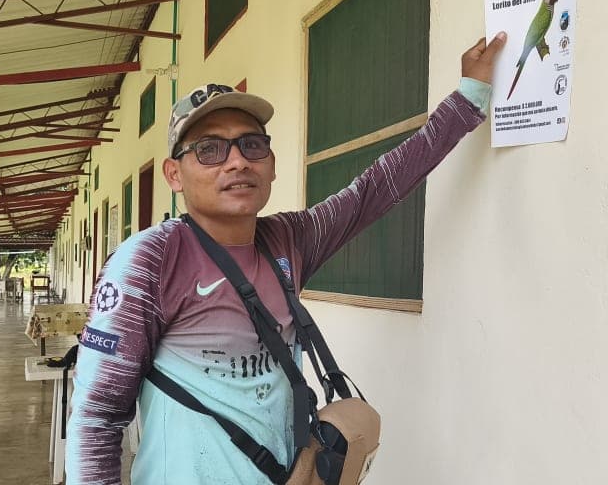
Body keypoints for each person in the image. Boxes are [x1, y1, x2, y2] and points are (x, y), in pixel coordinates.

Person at [66, 33, 507, 484]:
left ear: (272, 164)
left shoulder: (288, 240)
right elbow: (96, 419)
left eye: (252, 145)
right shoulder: (150, 261)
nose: (237, 162)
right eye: (209, 149)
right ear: (174, 174)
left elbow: (375, 190)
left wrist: (468, 98)